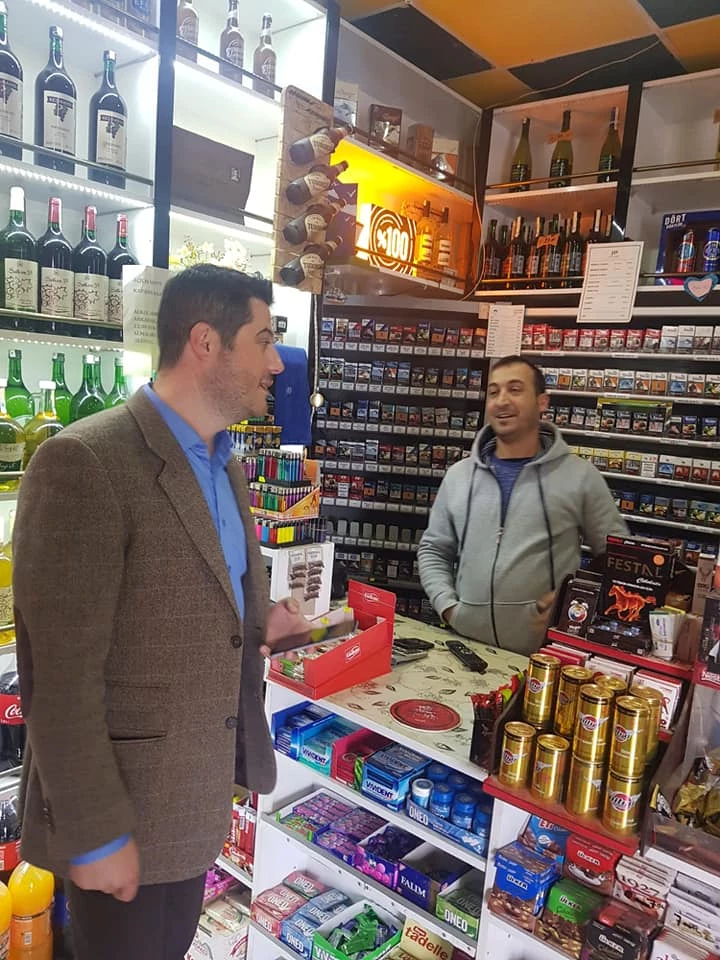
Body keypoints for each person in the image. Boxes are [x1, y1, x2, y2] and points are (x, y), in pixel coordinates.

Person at [12, 265, 312, 960]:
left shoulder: (224, 461)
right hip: (124, 817)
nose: (276, 362)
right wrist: (95, 833)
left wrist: (259, 624)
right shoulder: (84, 462)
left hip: (192, 801)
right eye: (263, 339)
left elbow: (190, 602)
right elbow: (56, 676)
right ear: (205, 342)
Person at [418, 355, 628, 656]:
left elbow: (619, 560)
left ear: (542, 402)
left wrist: (574, 600)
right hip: (465, 647)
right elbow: (434, 550)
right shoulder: (459, 476)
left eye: (515, 389)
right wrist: (449, 608)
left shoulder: (579, 476)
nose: (502, 401)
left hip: (545, 657)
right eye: (494, 392)